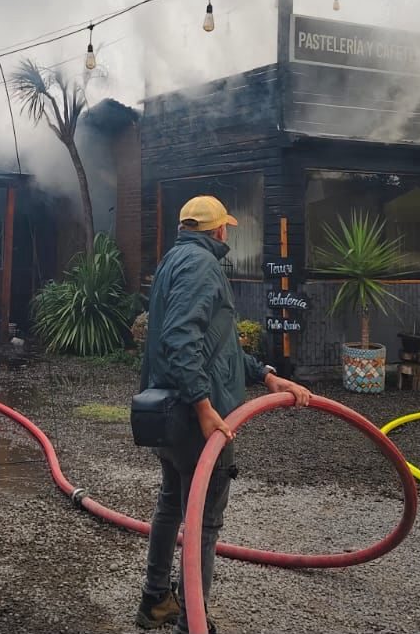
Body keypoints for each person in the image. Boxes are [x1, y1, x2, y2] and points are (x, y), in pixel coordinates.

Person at [134, 195, 313, 632]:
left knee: (172, 504)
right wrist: (204, 407)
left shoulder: (174, 260)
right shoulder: (201, 266)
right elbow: (181, 339)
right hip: (196, 420)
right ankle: (192, 619)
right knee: (205, 520)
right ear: (217, 230)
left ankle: (156, 601)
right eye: (226, 228)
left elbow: (219, 346)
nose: (227, 233)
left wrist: (265, 375)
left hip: (166, 410)